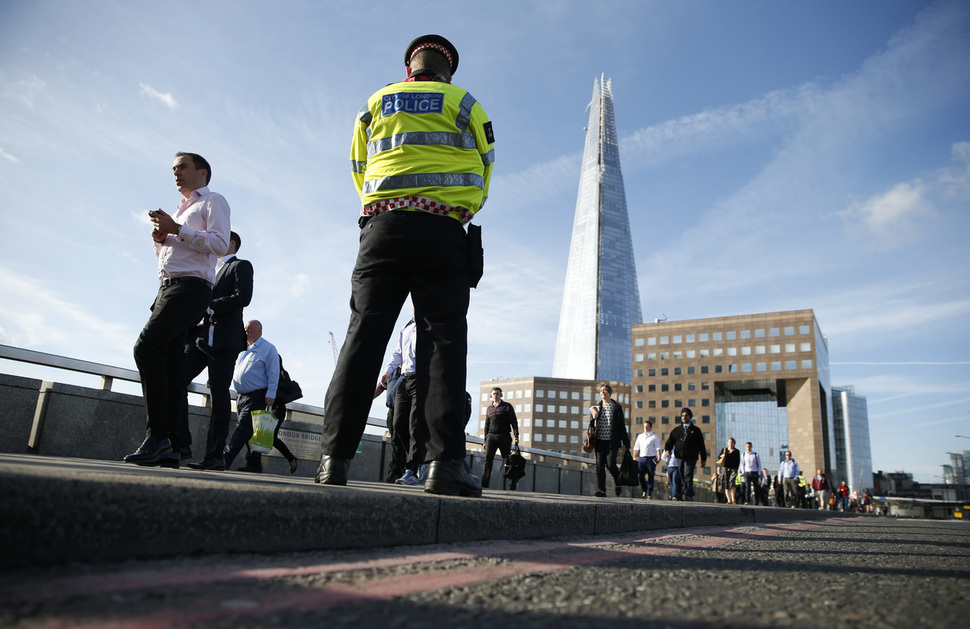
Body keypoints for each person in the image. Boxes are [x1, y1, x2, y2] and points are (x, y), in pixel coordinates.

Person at [314, 35, 495, 498]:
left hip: (382, 227)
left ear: (409, 67)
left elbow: (359, 165)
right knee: (443, 344)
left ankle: (334, 460)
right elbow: (485, 165)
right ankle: (443, 465)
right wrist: (458, 204)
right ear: (447, 71)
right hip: (443, 230)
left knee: (362, 337)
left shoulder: (376, 101)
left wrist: (387, 201)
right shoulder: (464, 102)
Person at [125, 152, 230, 468]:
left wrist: (177, 229)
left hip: (190, 287)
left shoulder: (213, 202)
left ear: (202, 172)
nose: (176, 173)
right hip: (167, 287)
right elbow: (174, 251)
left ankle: (158, 436)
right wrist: (161, 238)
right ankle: (173, 444)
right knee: (170, 364)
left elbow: (220, 244)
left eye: (182, 167)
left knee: (146, 347)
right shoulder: (179, 210)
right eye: (173, 169)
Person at [180, 231, 253, 470]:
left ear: (231, 243)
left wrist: (210, 307)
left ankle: (215, 456)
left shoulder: (241, 266)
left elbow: (243, 297)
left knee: (219, 395)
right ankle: (179, 443)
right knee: (177, 379)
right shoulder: (208, 268)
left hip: (224, 340)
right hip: (200, 338)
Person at [223, 321, 296, 474]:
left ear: (259, 331)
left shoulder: (268, 348)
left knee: (243, 428)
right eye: (244, 329)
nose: (246, 331)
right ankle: (254, 464)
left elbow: (273, 373)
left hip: (257, 395)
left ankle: (225, 459)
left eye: (249, 329)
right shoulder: (242, 349)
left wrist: (270, 394)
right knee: (251, 431)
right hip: (241, 396)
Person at [378, 317, 428, 486]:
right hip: (404, 379)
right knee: (398, 423)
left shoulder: (429, 321)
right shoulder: (407, 326)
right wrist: (388, 371)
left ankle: (412, 469)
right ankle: (421, 459)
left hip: (422, 379)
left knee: (415, 426)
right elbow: (398, 352)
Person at [588, 383, 631, 497]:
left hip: (612, 441)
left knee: (611, 464)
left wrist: (626, 443)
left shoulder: (616, 407)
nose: (603, 392)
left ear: (610, 393)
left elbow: (621, 426)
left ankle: (618, 481)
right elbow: (592, 424)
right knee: (599, 465)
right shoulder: (597, 407)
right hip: (599, 440)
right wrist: (593, 415)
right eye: (601, 391)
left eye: (605, 390)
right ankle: (602, 490)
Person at [663, 408, 708, 501]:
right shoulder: (677, 430)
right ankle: (681, 494)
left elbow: (701, 445)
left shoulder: (696, 430)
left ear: (690, 417)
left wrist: (703, 459)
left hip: (691, 457)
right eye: (682, 415)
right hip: (679, 457)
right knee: (681, 475)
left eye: (686, 415)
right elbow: (669, 442)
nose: (684, 417)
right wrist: (667, 450)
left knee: (688, 474)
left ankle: (687, 494)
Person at [482, 387, 519, 490]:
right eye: (493, 394)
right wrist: (485, 441)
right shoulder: (489, 409)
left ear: (501, 395)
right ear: (491, 395)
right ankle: (484, 485)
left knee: (507, 461)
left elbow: (514, 422)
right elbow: (486, 425)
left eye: (497, 394)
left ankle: (512, 483)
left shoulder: (507, 407)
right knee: (487, 461)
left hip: (504, 437)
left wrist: (516, 436)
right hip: (491, 437)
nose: (495, 395)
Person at [633, 420, 661, 499]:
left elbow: (658, 448)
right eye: (644, 426)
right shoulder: (640, 436)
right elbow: (636, 447)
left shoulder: (654, 437)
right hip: (642, 458)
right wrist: (634, 456)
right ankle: (645, 489)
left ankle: (649, 493)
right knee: (640, 476)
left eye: (647, 426)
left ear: (650, 427)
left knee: (651, 476)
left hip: (651, 459)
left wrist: (659, 457)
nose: (645, 428)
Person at [717, 438, 741, 504]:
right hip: (725, 468)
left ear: (734, 443)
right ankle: (729, 500)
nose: (730, 443)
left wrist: (736, 469)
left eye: (732, 442)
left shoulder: (736, 451)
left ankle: (733, 499)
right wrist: (722, 456)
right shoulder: (724, 450)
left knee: (732, 483)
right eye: (729, 442)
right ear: (727, 443)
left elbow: (737, 461)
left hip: (733, 469)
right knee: (726, 484)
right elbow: (719, 457)